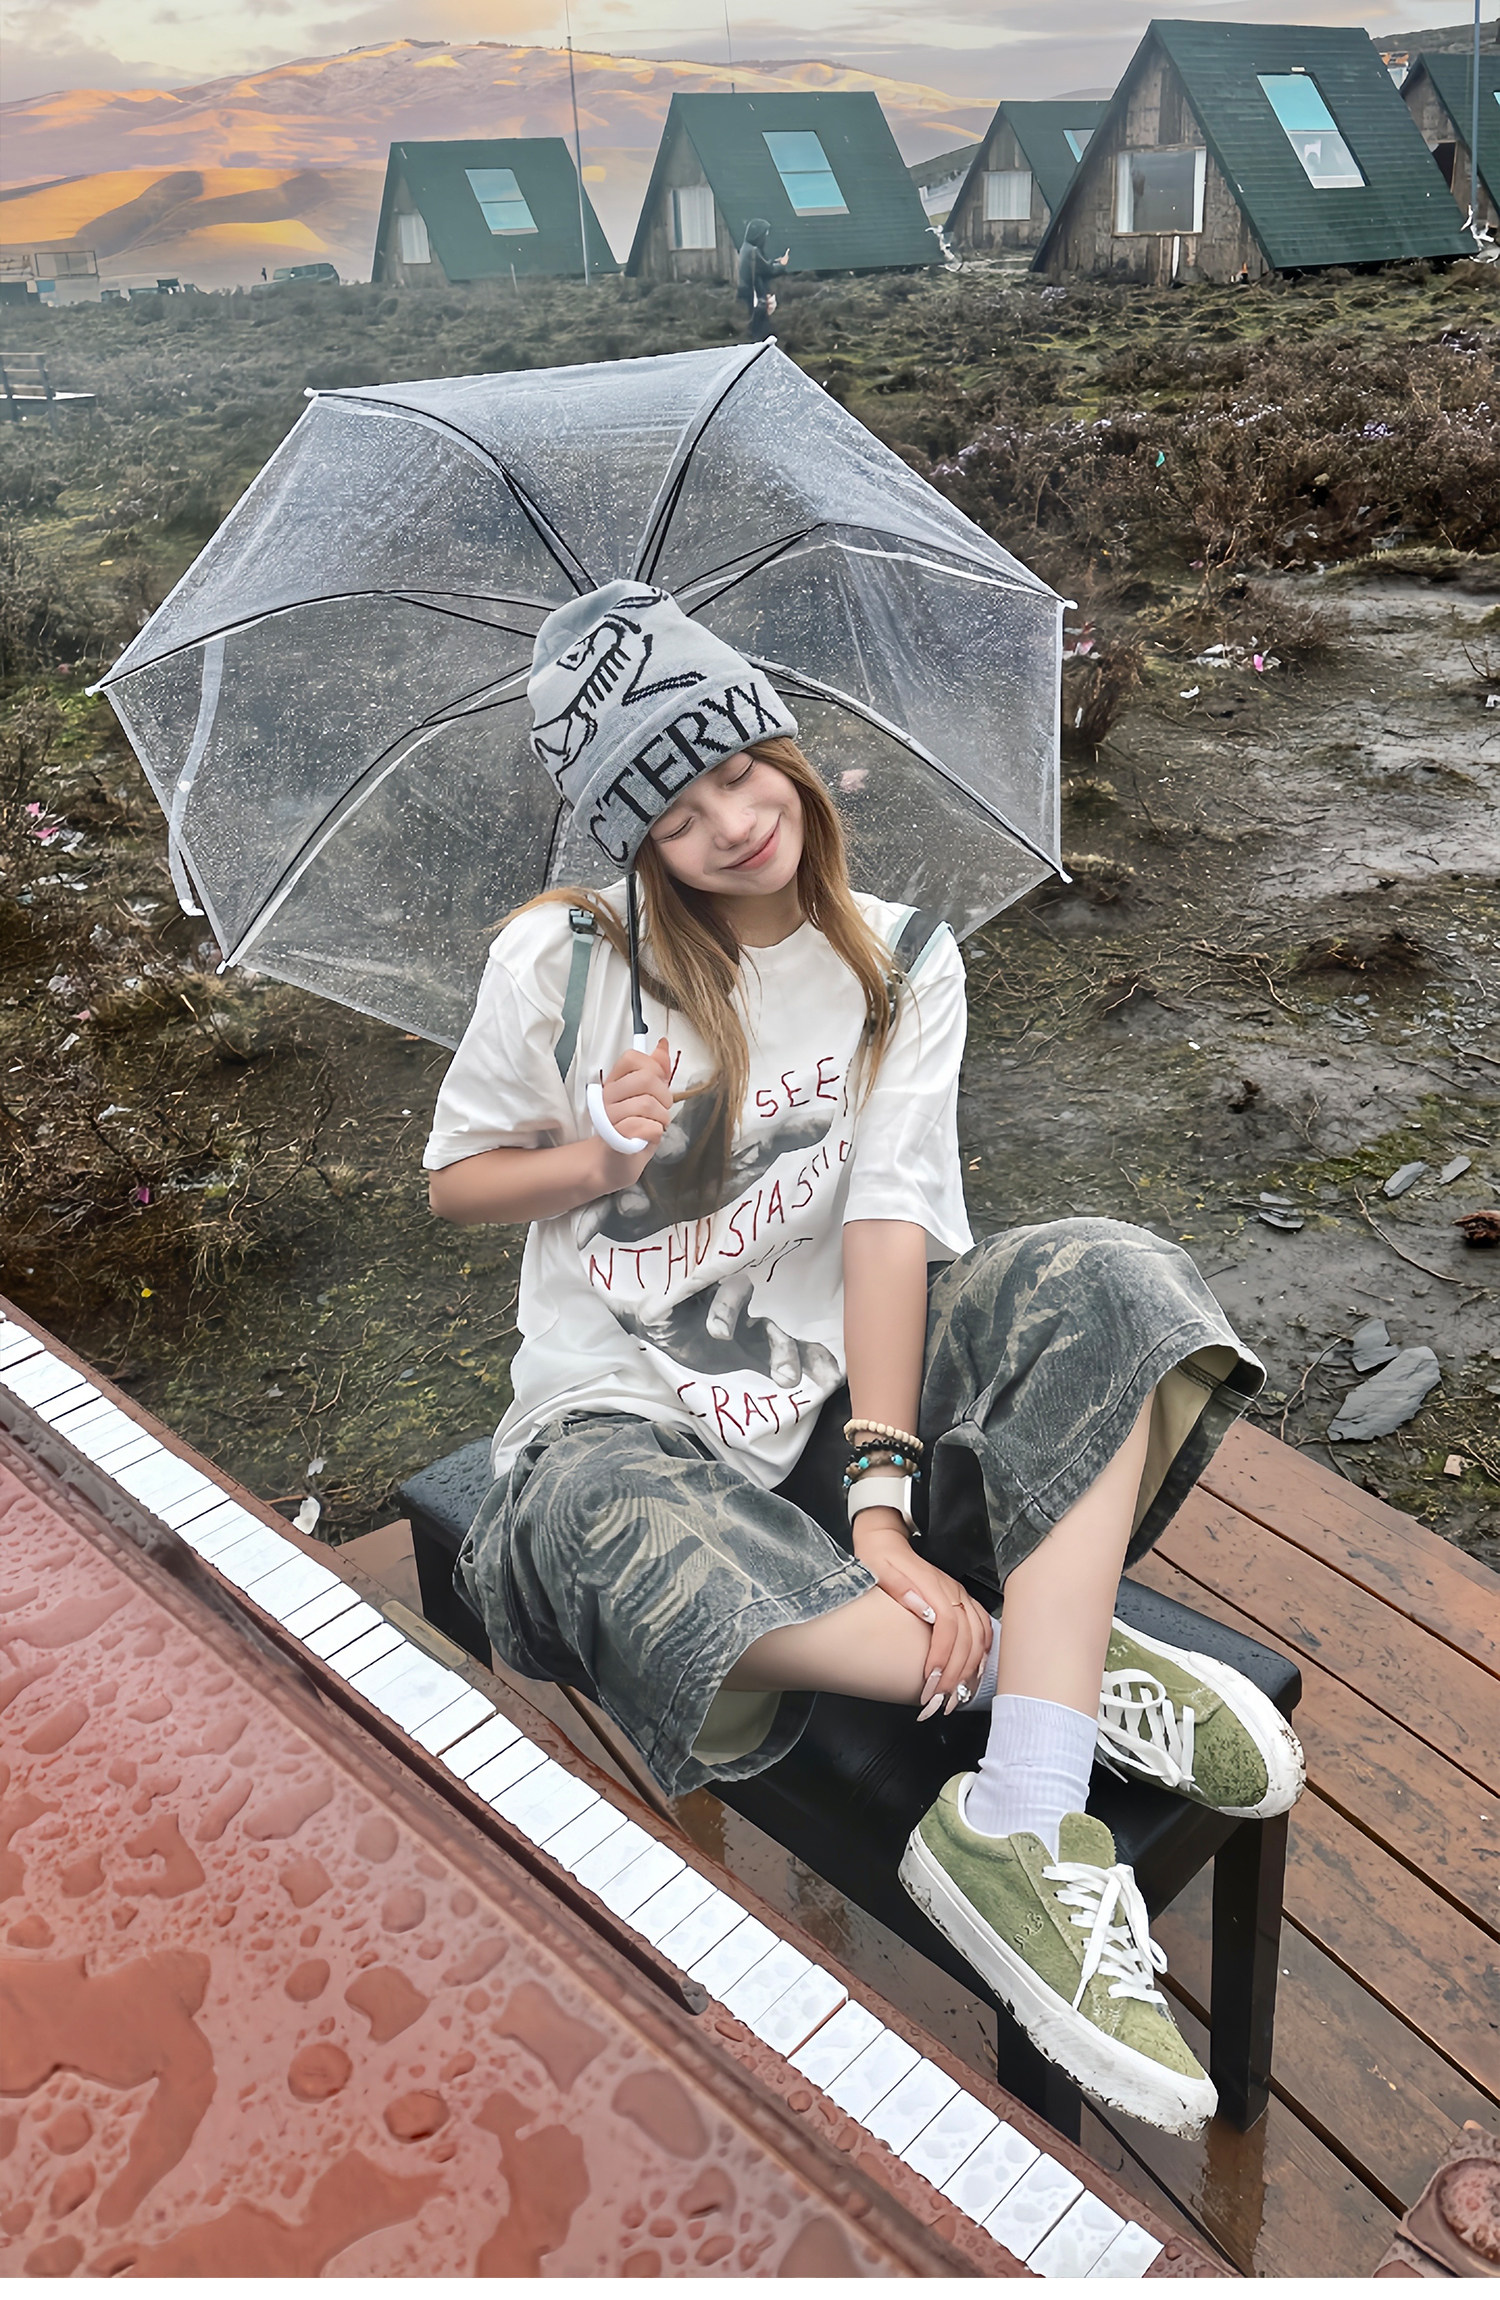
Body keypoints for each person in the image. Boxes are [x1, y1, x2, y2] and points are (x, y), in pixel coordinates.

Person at [425, 580, 1305, 2138]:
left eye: (739, 769)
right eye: (676, 811)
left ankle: (1017, 1815)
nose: (732, 822)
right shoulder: (558, 967)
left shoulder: (898, 958)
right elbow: (455, 1183)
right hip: (627, 1422)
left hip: (840, 1393)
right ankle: (1054, 1673)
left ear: (783, 747)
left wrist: (886, 1511)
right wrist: (595, 1158)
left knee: (1110, 1279)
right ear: (636, 840)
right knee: (571, 1529)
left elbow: (893, 1230)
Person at [736, 218, 789, 342]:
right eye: (764, 234)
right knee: (761, 335)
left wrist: (775, 262)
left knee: (757, 331)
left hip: (748, 297)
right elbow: (769, 270)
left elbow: (762, 266)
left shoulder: (746, 248)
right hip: (756, 299)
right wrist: (782, 264)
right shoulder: (753, 251)